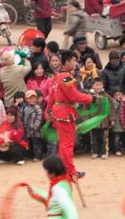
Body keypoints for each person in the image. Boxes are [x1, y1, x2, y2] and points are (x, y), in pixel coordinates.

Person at [46, 50, 93, 178]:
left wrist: (48, 110)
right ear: (67, 62)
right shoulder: (67, 77)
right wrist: (90, 98)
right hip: (65, 113)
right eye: (73, 60)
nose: (76, 63)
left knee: (63, 144)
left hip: (58, 112)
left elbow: (51, 96)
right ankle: (70, 171)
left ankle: (63, 169)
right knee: (67, 144)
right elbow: (74, 96)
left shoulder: (57, 76)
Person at [89, 78, 115, 160]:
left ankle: (104, 152)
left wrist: (112, 119)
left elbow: (111, 108)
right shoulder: (89, 97)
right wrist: (86, 120)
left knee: (104, 138)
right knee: (94, 138)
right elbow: (85, 109)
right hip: (93, 122)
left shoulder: (107, 96)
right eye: (96, 85)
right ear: (92, 86)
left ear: (102, 85)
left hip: (105, 121)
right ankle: (95, 152)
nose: (98, 87)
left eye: (100, 85)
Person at [22, 90, 43, 161]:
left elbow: (39, 117)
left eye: (33, 98)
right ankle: (31, 155)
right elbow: (23, 117)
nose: (31, 100)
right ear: (26, 99)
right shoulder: (25, 107)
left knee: (36, 143)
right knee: (30, 143)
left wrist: (35, 126)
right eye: (29, 98)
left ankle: (38, 156)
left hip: (35, 130)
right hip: (27, 130)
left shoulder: (37, 107)